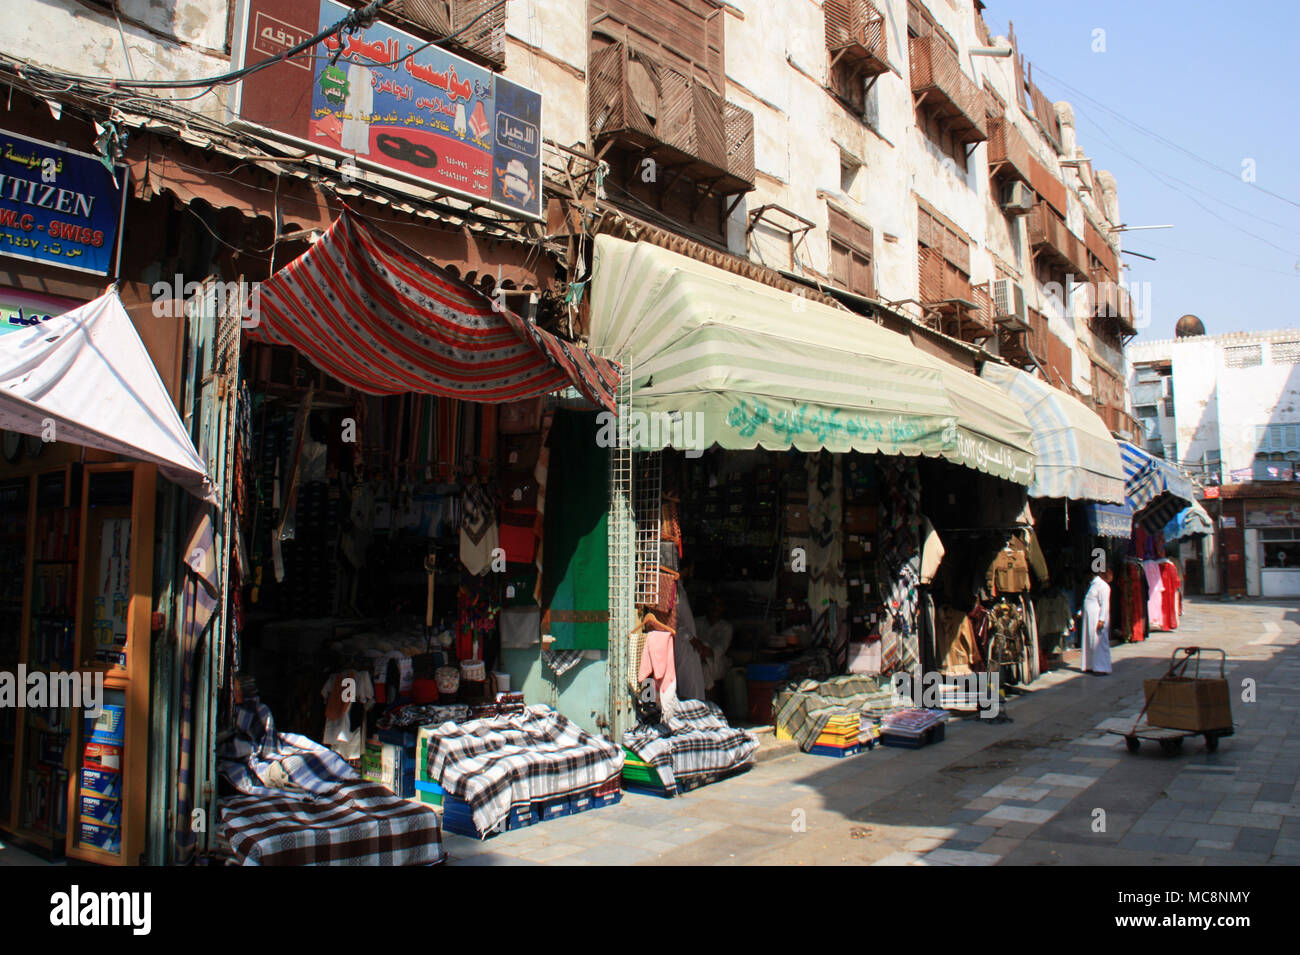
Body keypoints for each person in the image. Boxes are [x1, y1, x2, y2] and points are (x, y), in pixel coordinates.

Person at [697, 595, 734, 695]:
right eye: (713, 604)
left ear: (723, 608)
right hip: (696, 661)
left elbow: (717, 650)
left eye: (719, 605)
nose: (715, 607)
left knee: (704, 669)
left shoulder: (726, 628)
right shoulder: (697, 623)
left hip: (716, 664)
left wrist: (701, 649)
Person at [1081, 568, 1113, 675]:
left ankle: (1101, 668)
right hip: (1090, 619)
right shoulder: (1093, 585)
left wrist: (1101, 620)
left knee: (1099, 643)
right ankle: (1090, 665)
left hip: (1097, 618)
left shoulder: (1103, 586)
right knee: (1090, 642)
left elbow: (1105, 605)